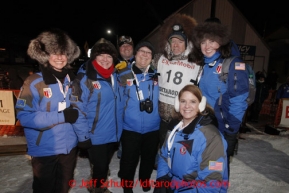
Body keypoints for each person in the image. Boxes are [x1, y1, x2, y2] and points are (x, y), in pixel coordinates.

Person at [15, 28, 81, 193]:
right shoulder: (33, 82)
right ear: (45, 55)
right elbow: (24, 117)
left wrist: (83, 136)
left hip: (69, 148)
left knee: (63, 188)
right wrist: (61, 116)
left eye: (63, 53)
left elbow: (79, 111)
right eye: (54, 52)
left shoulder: (72, 81)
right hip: (45, 148)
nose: (59, 57)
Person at [191, 21, 249, 177]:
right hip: (204, 125)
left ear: (221, 42)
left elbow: (239, 99)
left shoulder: (232, 64)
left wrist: (232, 131)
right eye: (203, 42)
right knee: (202, 164)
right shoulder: (205, 65)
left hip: (222, 128)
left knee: (216, 168)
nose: (207, 46)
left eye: (212, 41)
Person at [71, 38, 123, 193]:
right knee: (100, 166)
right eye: (101, 55)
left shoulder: (116, 76)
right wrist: (83, 136)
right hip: (94, 134)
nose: (105, 59)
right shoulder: (85, 79)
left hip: (113, 133)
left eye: (109, 56)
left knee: (103, 165)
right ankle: (98, 189)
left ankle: (95, 181)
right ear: (94, 57)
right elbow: (77, 109)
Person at [154, 84, 228, 193]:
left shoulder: (211, 137)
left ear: (201, 105)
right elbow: (164, 156)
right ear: (177, 104)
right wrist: (162, 178)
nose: (187, 106)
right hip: (175, 185)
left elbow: (211, 183)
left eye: (193, 101)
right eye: (183, 101)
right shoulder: (174, 129)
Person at [151, 13, 200, 156]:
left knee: (179, 153)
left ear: (186, 43)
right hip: (163, 117)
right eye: (173, 41)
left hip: (182, 117)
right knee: (163, 151)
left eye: (180, 41)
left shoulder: (196, 62)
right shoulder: (160, 59)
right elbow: (144, 68)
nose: (176, 45)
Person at [117, 41, 160, 193]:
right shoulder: (123, 75)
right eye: (142, 51)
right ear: (135, 54)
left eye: (148, 53)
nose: (145, 55)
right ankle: (127, 185)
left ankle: (144, 179)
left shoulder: (157, 75)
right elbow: (118, 101)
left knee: (148, 158)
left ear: (152, 57)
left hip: (153, 127)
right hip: (130, 127)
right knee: (129, 160)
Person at [116, 35, 135, 159]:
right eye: (123, 46)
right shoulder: (111, 63)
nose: (126, 48)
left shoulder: (142, 60)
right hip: (121, 110)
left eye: (129, 45)